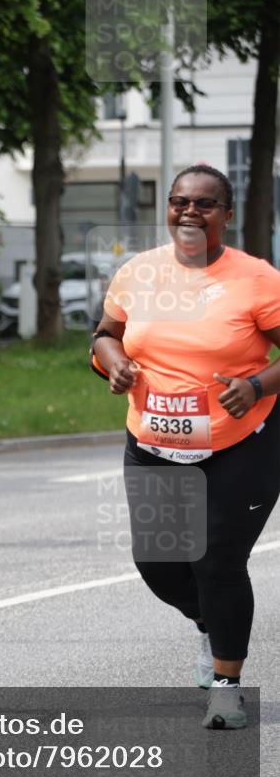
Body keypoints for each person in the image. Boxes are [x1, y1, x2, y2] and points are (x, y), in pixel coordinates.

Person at [91, 165, 280, 729]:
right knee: (157, 565)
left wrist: (255, 385)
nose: (189, 213)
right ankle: (211, 625)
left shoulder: (256, 279)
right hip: (153, 442)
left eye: (205, 203)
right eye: (179, 202)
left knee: (217, 562)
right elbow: (104, 334)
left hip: (239, 445)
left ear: (227, 213)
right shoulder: (138, 272)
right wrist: (116, 362)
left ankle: (226, 684)